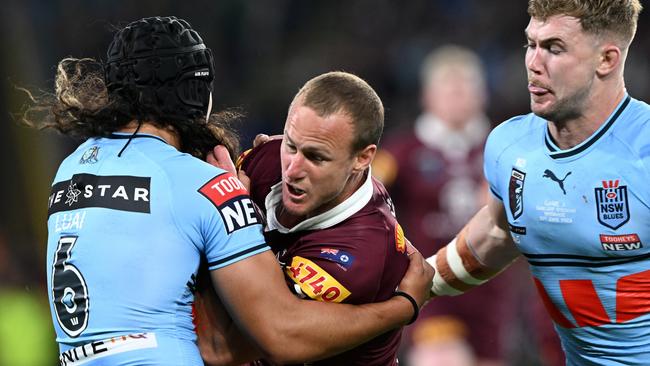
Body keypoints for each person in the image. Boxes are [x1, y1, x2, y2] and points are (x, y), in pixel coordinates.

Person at [24, 16, 434, 365]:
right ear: (195, 93)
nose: (292, 164)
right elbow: (246, 343)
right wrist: (403, 307)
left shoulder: (72, 168)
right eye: (290, 146)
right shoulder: (204, 185)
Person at [424, 1, 649, 365]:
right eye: (531, 44)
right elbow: (496, 233)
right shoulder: (510, 147)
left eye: (554, 48)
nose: (533, 63)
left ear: (606, 60)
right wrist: (417, 285)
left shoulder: (644, 152)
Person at [200, 71, 417, 365]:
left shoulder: (361, 253)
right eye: (291, 145)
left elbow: (228, 348)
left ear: (362, 158)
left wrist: (231, 213)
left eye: (316, 157)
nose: (292, 169)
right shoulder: (268, 159)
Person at [373, 45, 520, 366]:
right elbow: (366, 194)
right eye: (448, 89)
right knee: (443, 358)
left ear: (482, 95)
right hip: (432, 284)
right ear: (428, 96)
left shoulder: (506, 148)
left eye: (465, 88)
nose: (457, 97)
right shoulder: (403, 150)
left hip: (490, 288)